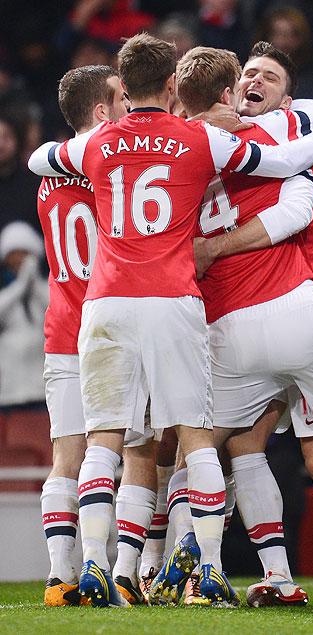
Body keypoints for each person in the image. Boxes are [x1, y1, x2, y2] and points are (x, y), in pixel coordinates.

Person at [28, 33, 313, 608]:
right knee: (195, 438)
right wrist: (300, 130)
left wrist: (95, 138)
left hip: (105, 303)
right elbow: (284, 160)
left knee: (103, 441)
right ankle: (210, 569)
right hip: (172, 298)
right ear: (171, 85)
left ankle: (91, 570)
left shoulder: (95, 144)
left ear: (125, 82)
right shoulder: (201, 138)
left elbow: (39, 158)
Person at [177, 42, 313, 610]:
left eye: (269, 77)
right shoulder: (240, 147)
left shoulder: (274, 140)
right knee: (251, 445)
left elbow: (300, 196)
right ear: (230, 91)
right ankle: (281, 575)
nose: (255, 81)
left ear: (286, 100)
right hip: (284, 315)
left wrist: (211, 248)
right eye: (247, 73)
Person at [36, 64, 160, 608]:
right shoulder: (111, 168)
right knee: (137, 449)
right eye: (121, 97)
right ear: (102, 112)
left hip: (62, 329)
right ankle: (125, 572)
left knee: (66, 455)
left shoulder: (48, 175)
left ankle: (61, 578)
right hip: (114, 326)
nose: (131, 104)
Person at [0, 221, 48, 409]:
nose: (19, 261)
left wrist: (33, 282)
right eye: (14, 256)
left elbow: (59, 315)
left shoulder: (45, 291)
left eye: (24, 254)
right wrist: (20, 286)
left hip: (41, 391)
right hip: (8, 394)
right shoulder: (7, 295)